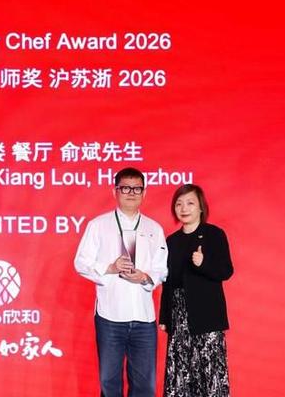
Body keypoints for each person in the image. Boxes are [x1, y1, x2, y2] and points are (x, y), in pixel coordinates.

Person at [75, 167, 168, 397]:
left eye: (137, 188)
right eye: (125, 188)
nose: (131, 193)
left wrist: (145, 277)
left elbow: (161, 268)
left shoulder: (154, 228)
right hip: (110, 316)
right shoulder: (98, 225)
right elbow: (81, 262)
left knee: (145, 385)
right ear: (115, 191)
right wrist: (110, 268)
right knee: (109, 383)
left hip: (144, 318)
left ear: (144, 193)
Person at [159, 184, 234, 397]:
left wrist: (203, 263)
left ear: (201, 207)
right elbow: (168, 282)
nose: (184, 208)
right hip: (179, 318)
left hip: (207, 317)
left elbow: (226, 271)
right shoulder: (171, 241)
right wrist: (164, 316)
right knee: (180, 377)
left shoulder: (214, 234)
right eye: (179, 204)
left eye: (190, 203)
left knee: (210, 376)